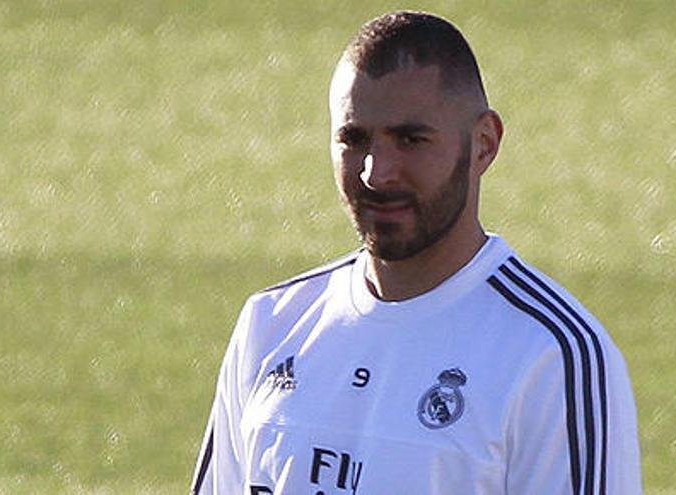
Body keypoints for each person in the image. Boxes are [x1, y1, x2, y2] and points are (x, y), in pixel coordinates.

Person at [191, 10, 641, 495]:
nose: (376, 172)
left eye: (411, 140)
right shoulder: (272, 325)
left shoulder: (552, 355)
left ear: (484, 144)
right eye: (354, 139)